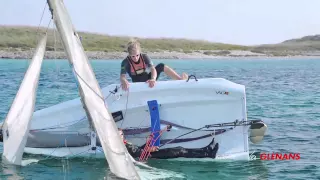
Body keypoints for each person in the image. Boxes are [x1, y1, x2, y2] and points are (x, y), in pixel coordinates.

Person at [120, 39, 188, 90]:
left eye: (137, 55)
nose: (136, 58)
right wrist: (124, 80)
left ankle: (180, 80)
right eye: (133, 56)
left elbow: (153, 69)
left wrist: (153, 79)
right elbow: (122, 76)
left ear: (140, 52)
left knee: (161, 65)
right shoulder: (125, 62)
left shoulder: (144, 57)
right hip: (137, 82)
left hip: (148, 79)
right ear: (129, 55)